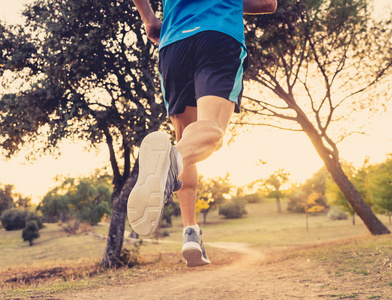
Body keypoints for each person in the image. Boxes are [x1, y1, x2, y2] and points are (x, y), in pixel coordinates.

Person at [128, 0, 277, 267]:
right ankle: (168, 163)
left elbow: (150, 19)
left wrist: (149, 19)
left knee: (186, 139)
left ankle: (190, 231)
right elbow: (268, 3)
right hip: (218, 34)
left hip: (173, 43)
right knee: (212, 131)